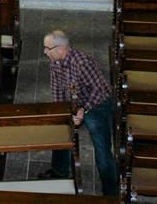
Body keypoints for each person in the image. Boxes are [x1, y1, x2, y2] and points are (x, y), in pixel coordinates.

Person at [39, 29, 118, 197]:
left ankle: (112, 193)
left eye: (47, 48)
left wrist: (84, 110)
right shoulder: (55, 62)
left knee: (102, 150)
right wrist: (62, 114)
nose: (45, 52)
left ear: (60, 49)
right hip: (76, 104)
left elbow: (102, 90)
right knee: (61, 130)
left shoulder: (82, 62)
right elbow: (58, 92)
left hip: (97, 104)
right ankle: (59, 172)